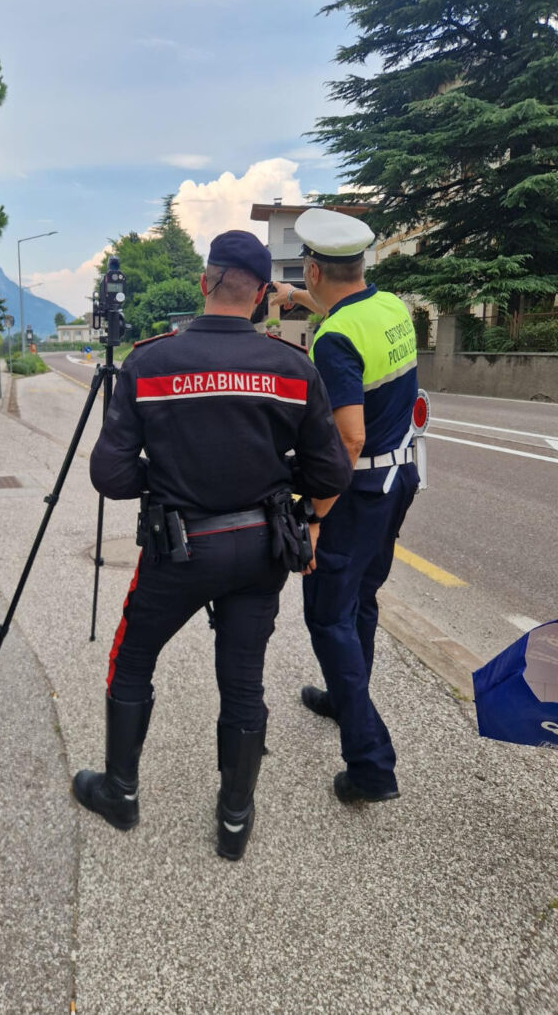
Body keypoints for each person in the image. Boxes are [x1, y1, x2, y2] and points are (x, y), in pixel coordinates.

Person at [72, 231, 353, 859]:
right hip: (260, 548)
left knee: (132, 660)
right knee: (244, 681)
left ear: (205, 282)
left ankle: (120, 792)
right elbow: (332, 472)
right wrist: (278, 482)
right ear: (263, 295)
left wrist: (165, 479)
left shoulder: (149, 362)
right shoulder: (293, 367)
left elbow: (110, 475)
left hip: (179, 548)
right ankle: (234, 821)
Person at [268, 207, 419, 805]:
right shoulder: (390, 308)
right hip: (399, 479)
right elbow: (339, 309)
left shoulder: (334, 341)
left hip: (356, 494)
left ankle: (371, 765)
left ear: (313, 268)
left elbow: (349, 440)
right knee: (362, 598)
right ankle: (342, 696)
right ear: (360, 264)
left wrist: (314, 514)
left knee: (328, 616)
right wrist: (295, 298)